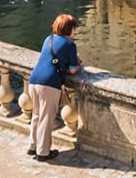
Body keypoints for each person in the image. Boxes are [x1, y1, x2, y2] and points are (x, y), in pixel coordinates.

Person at [27, 13, 81, 162]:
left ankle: (33, 146)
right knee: (46, 117)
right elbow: (73, 69)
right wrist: (79, 62)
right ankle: (43, 152)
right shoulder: (70, 44)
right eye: (74, 28)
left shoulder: (48, 39)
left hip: (34, 80)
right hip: (49, 84)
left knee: (36, 115)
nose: (75, 31)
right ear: (70, 29)